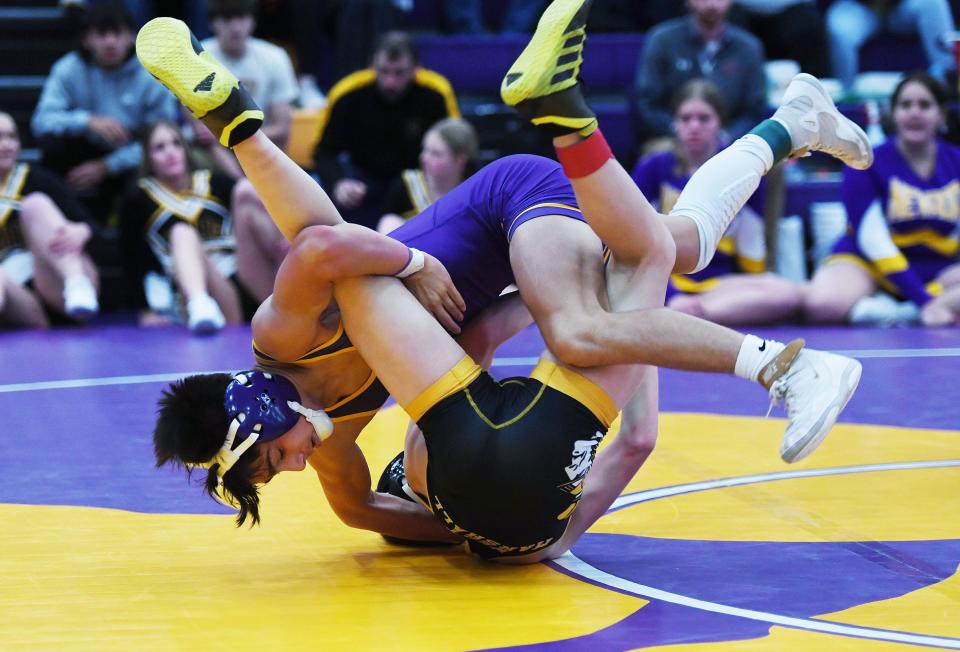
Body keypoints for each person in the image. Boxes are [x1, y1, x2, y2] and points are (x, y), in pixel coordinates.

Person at [137, 2, 867, 553]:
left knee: (581, 331)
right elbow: (362, 513)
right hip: (507, 261)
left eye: (271, 460)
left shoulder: (282, 338)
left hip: (506, 203)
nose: (291, 469)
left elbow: (324, 245)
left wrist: (415, 262)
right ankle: (794, 125)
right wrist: (474, 533)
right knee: (675, 244)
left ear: (260, 414)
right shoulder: (331, 447)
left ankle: (786, 371)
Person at [633, 80, 803, 325]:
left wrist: (754, 286)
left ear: (720, 123)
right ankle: (683, 311)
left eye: (704, 119)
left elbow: (751, 237)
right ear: (674, 123)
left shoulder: (742, 168)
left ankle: (689, 315)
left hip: (719, 285)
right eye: (685, 118)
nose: (694, 126)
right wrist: (672, 294)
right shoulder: (653, 166)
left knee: (786, 294)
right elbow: (636, 240)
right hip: (662, 278)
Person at [805, 72, 960, 327]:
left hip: (936, 268)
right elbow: (873, 240)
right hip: (868, 264)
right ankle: (916, 306)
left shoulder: (956, 161)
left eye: (925, 105)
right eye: (905, 105)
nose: (914, 113)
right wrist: (925, 302)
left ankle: (896, 312)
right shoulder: (864, 161)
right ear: (893, 113)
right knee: (821, 304)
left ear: (941, 114)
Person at [119, 120, 286, 333]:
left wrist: (214, 146)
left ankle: (296, 279)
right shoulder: (138, 197)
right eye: (159, 148)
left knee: (245, 190)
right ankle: (200, 304)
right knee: (181, 232)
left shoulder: (212, 181)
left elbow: (254, 192)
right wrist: (144, 309)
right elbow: (131, 258)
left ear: (186, 148)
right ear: (148, 158)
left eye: (176, 143)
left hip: (243, 277)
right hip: (196, 290)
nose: (170, 152)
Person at [30, 2, 178, 223]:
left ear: (131, 37)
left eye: (117, 33)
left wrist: (108, 166)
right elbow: (41, 121)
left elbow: (164, 138)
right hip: (82, 150)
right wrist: (87, 121)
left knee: (155, 157)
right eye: (101, 34)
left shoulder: (151, 75)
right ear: (87, 39)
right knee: (50, 146)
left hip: (129, 157)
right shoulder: (68, 68)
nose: (110, 42)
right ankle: (56, 223)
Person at [312, 31, 460, 230]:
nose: (391, 82)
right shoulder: (347, 94)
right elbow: (324, 151)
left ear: (416, 68)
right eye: (383, 71)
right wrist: (339, 183)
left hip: (416, 183)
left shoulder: (435, 94)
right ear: (371, 65)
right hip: (362, 183)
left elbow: (455, 145)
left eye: (399, 73)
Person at [0, 112, 100, 328]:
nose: (6, 144)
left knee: (35, 204)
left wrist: (82, 230)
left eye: (11, 136)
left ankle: (77, 283)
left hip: (58, 282)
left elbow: (90, 224)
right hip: (20, 302)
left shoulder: (37, 179)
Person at [632, 0, 767, 147]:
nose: (712, 4)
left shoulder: (749, 47)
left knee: (771, 160)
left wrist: (727, 138)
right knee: (656, 151)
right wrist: (681, 129)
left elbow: (754, 109)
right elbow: (648, 103)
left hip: (731, 142)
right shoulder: (662, 40)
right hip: (672, 139)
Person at [201, 0, 300, 149]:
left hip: (261, 145)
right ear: (212, 22)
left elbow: (281, 129)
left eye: (241, 17)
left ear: (253, 20)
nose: (235, 27)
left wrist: (235, 138)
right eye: (227, 19)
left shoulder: (275, 57)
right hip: (217, 153)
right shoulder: (199, 58)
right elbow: (201, 131)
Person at [825, 0, 957, 94]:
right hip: (860, 7)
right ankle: (849, 100)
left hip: (901, 7)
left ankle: (945, 84)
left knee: (933, 3)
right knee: (840, 31)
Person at [377, 117, 478, 234]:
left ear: (460, 160)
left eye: (436, 153)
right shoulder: (405, 186)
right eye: (425, 150)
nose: (424, 158)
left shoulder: (475, 192)